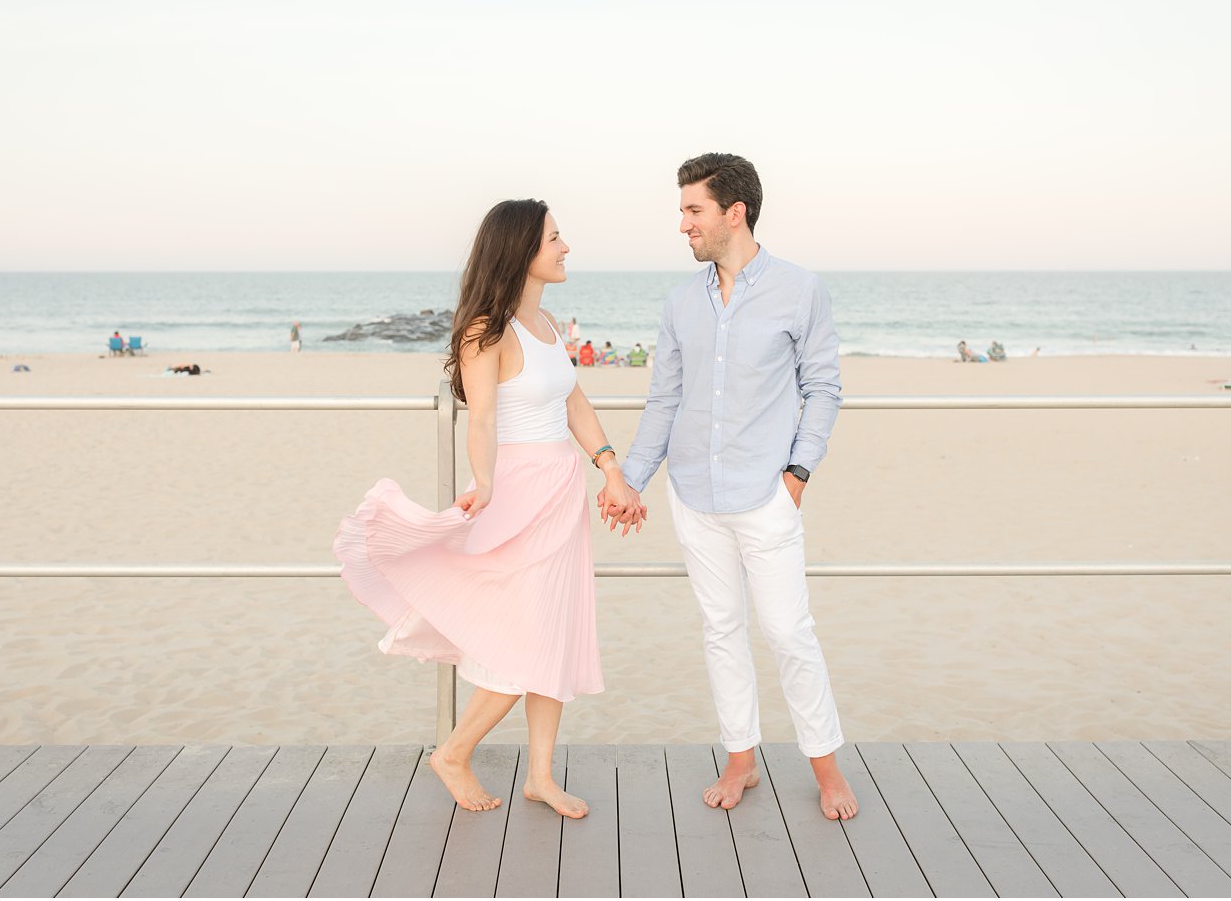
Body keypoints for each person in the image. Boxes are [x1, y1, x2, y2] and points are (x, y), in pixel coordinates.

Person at [333, 199, 644, 819]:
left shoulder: (550, 324)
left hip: (563, 493)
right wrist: (483, 479)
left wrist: (610, 468)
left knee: (551, 635)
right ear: (522, 250)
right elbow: (483, 417)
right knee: (518, 641)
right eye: (555, 238)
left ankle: (541, 777)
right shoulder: (486, 330)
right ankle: (453, 752)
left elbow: (574, 404)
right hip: (518, 494)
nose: (565, 247)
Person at [606, 152, 858, 821]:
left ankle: (827, 768)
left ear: (734, 212)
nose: (684, 225)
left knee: (787, 631)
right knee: (721, 629)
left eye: (694, 211)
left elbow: (824, 387)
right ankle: (741, 758)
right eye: (684, 211)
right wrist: (629, 479)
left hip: (766, 495)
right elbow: (664, 400)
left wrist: (798, 474)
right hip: (692, 494)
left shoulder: (800, 290)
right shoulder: (680, 301)